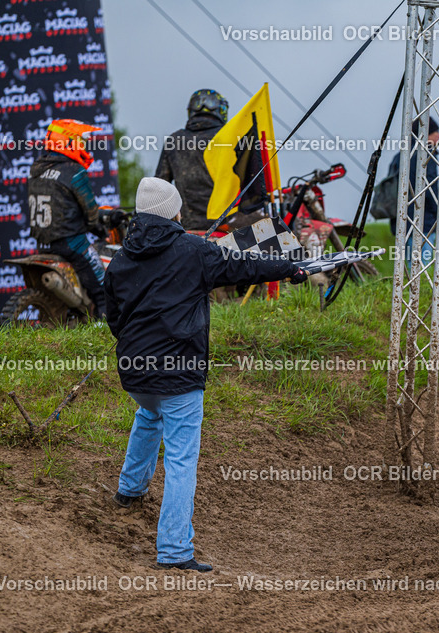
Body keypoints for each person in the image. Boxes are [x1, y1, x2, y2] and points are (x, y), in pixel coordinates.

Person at [105, 177, 311, 572]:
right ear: (174, 212)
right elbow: (245, 266)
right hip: (179, 373)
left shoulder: (121, 258)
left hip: (134, 371)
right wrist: (289, 268)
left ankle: (128, 490)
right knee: (181, 459)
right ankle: (174, 551)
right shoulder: (194, 250)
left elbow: (114, 318)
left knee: (150, 413)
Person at [28, 119, 107, 318]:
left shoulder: (36, 170)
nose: (84, 146)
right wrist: (96, 227)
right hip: (70, 242)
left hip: (43, 244)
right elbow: (90, 211)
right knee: (102, 283)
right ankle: (103, 321)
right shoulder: (73, 171)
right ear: (68, 142)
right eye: (81, 141)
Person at [155, 89, 228, 233]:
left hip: (188, 231)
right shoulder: (232, 138)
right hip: (228, 229)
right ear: (222, 111)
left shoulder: (174, 140)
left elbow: (158, 189)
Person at [388, 117, 439, 267]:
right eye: (434, 132)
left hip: (401, 221)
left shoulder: (400, 156)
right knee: (421, 267)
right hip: (423, 221)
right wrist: (438, 212)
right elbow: (430, 188)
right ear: (425, 134)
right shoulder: (426, 155)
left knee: (410, 265)